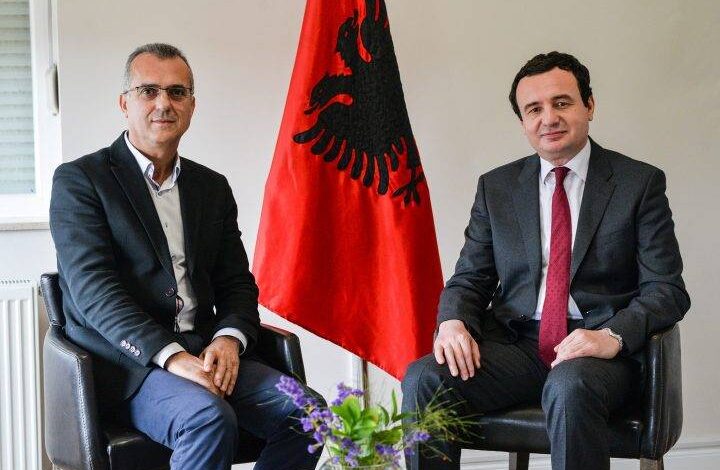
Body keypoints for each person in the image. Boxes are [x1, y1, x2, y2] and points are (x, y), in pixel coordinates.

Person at [401, 51, 689, 470]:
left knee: (569, 387)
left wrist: (611, 335)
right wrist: (453, 321)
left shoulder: (638, 183)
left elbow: (667, 290)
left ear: (589, 106)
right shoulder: (496, 188)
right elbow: (470, 278)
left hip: (598, 349)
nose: (548, 118)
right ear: (523, 121)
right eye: (534, 109)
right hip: (518, 344)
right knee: (424, 378)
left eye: (562, 102)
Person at [49, 43, 322, 470]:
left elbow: (236, 282)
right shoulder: (81, 181)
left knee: (309, 415)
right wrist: (171, 356)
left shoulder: (211, 188)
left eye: (177, 92)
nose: (164, 103)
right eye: (148, 91)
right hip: (130, 364)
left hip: (206, 349)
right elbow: (94, 292)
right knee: (208, 419)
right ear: (124, 103)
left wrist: (229, 338)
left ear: (192, 106)